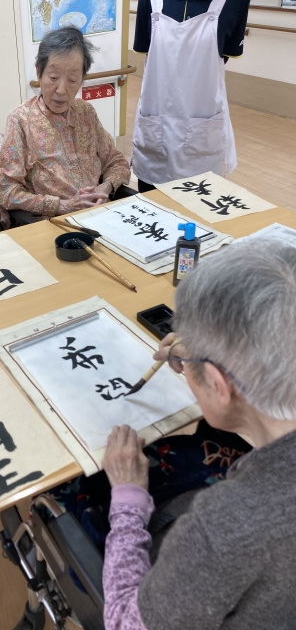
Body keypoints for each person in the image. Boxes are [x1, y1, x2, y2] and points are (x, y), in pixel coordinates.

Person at [102, 237, 296, 629]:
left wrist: (128, 498)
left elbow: (125, 622)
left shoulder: (227, 525)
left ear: (220, 385)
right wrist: (201, 357)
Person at [0, 26, 131, 218]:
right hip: (55, 222)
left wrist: (105, 187)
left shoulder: (86, 113)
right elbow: (6, 192)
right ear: (39, 71)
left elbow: (117, 162)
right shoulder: (21, 121)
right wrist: (63, 206)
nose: (61, 90)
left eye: (73, 80)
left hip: (101, 214)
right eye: (53, 77)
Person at [132, 0, 251, 193]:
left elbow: (226, 53)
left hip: (202, 130)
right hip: (156, 127)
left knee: (198, 204)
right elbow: (147, 51)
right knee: (151, 202)